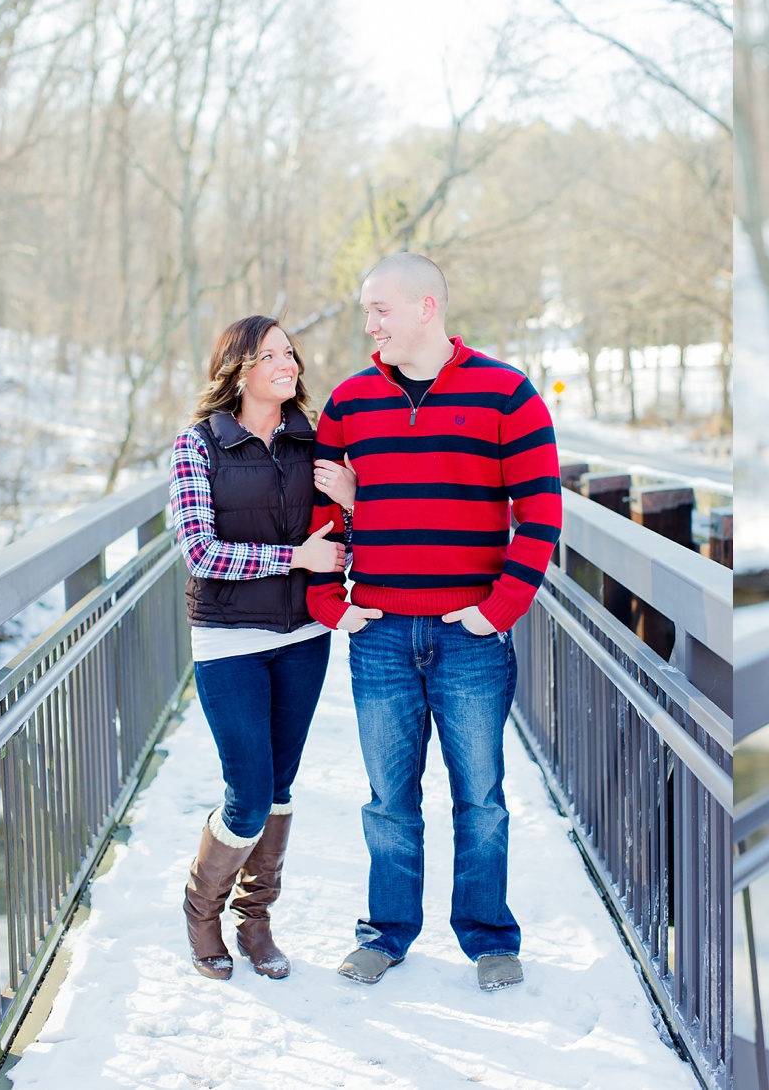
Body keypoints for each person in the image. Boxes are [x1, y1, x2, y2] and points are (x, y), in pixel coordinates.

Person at [306, 252, 562, 993]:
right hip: (380, 631)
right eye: (365, 311)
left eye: (379, 310)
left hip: (469, 634)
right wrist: (330, 603)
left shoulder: (507, 394)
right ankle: (386, 934)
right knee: (389, 801)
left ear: (426, 308)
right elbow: (326, 518)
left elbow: (541, 515)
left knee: (480, 797)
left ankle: (488, 937)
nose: (368, 324)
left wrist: (498, 610)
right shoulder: (349, 403)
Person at [172, 314, 356, 981]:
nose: (290, 364)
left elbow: (345, 545)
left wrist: (356, 504)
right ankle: (202, 910)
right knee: (246, 791)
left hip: (303, 639)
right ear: (239, 368)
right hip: (229, 642)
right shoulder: (198, 445)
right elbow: (199, 551)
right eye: (272, 354)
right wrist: (292, 557)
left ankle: (255, 921)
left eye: (291, 353)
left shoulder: (316, 444)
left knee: (278, 786)